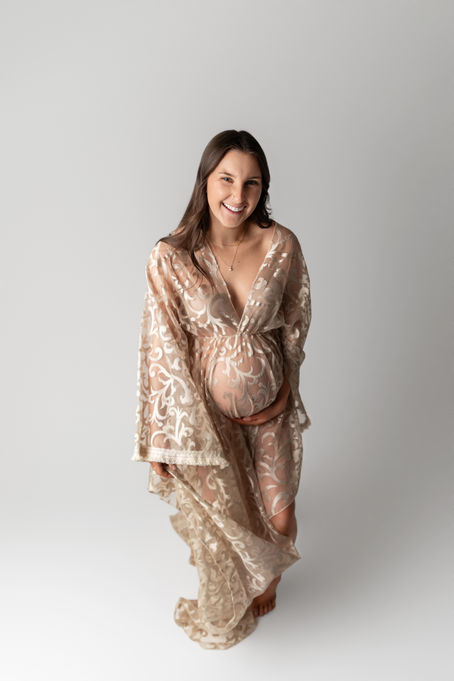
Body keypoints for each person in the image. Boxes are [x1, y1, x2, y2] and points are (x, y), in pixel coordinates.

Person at [132, 129, 312, 650]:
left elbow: (295, 323)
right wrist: (162, 438)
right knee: (227, 516)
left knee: (280, 515)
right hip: (205, 416)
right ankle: (238, 582)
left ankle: (270, 578)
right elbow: (161, 345)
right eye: (226, 179)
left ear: (263, 188)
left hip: (270, 409)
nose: (238, 195)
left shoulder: (281, 245)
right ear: (205, 181)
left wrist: (286, 389)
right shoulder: (172, 257)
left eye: (252, 183)